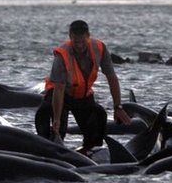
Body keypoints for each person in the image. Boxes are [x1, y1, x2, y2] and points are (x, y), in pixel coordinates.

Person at [35, 20, 130, 155]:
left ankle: (87, 153)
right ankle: (46, 152)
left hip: (82, 95)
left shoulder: (99, 48)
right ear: (70, 37)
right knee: (54, 126)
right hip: (60, 95)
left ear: (88, 36)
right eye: (75, 42)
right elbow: (59, 90)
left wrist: (118, 107)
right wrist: (56, 119)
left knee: (99, 116)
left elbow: (112, 78)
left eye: (82, 41)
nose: (79, 45)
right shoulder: (62, 55)